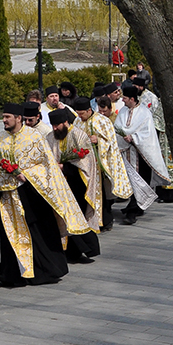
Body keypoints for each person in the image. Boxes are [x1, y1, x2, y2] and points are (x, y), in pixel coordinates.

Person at [0, 103, 91, 287]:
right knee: (10, 234)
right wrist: (6, 174)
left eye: (7, 117)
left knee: (37, 232)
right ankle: (12, 274)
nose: (3, 120)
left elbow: (46, 166)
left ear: (18, 118)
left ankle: (42, 271)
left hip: (33, 193)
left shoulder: (34, 137)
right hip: (9, 195)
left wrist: (25, 175)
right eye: (3, 117)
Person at [47, 108, 102, 262]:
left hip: (77, 184)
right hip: (59, 185)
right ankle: (71, 252)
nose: (55, 128)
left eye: (57, 125)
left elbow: (86, 164)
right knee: (65, 218)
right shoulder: (50, 137)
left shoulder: (79, 136)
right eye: (53, 125)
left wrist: (64, 167)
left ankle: (87, 249)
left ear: (66, 122)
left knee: (76, 217)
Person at [114, 84, 171, 224]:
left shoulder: (144, 113)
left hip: (141, 155)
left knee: (139, 182)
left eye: (125, 98)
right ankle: (136, 206)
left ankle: (132, 212)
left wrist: (133, 138)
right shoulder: (122, 111)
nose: (123, 100)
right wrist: (123, 137)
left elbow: (147, 134)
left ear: (132, 98)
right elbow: (118, 128)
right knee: (130, 182)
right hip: (126, 154)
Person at [77, 96, 133, 231]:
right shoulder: (77, 121)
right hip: (85, 165)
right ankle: (90, 221)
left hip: (100, 165)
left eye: (82, 113)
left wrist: (99, 141)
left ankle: (106, 221)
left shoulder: (102, 121)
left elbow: (111, 142)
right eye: (78, 113)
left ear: (89, 110)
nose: (80, 116)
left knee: (102, 194)